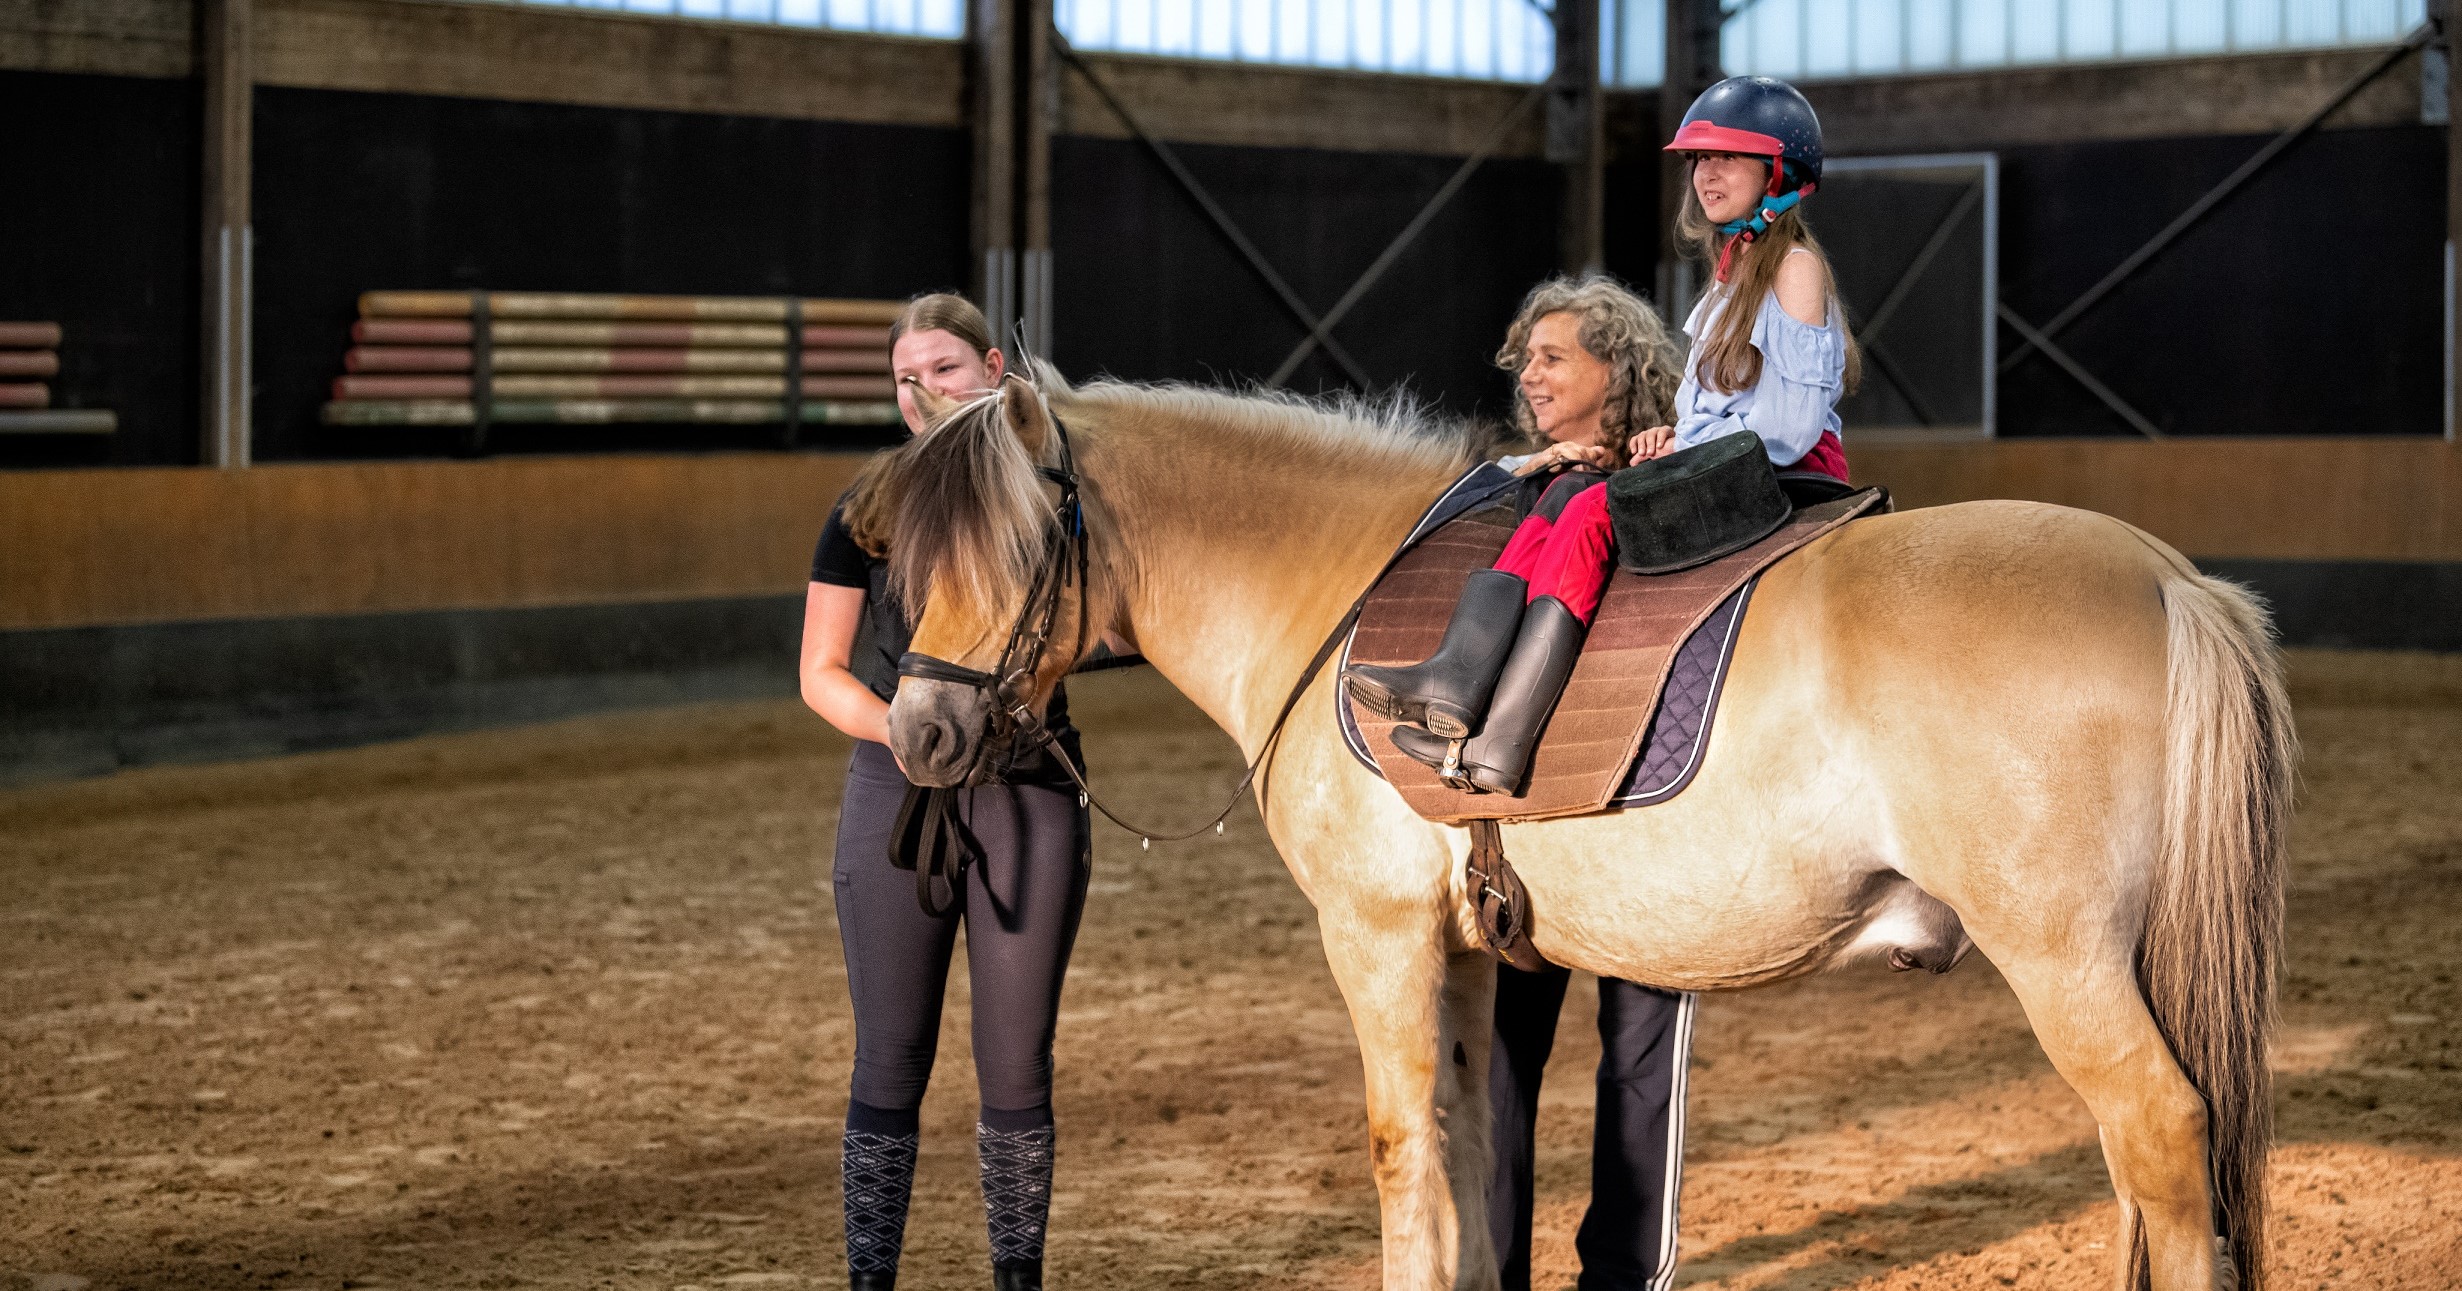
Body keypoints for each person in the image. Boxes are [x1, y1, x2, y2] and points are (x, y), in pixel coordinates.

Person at [1345, 73, 1858, 802]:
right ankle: (1458, 679)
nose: (1706, 175)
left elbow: (1792, 425)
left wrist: (1690, 448)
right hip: (1731, 463)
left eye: (1728, 159)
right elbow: (1711, 407)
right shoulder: (1729, 278)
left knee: (1592, 512)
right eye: (1697, 162)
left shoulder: (1796, 270)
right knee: (1562, 494)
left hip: (1786, 472)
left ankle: (1503, 742)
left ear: (1779, 172)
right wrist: (1670, 436)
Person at [800, 293, 1090, 1291]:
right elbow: (821, 670)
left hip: (1027, 789)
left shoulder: (1050, 500)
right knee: (888, 1057)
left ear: (992, 366)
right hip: (898, 790)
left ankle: (1018, 1279)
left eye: (943, 367)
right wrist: (904, 730)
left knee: (1017, 1068)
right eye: (903, 375)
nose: (921, 388)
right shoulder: (866, 507)